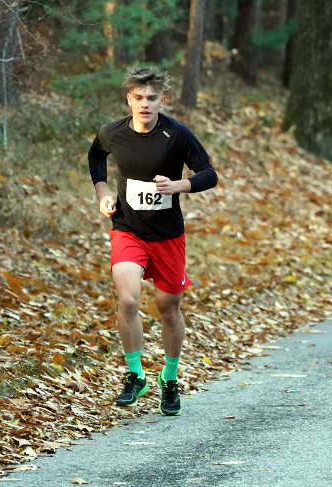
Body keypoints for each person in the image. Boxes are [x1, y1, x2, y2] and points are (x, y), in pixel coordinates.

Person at [87, 67, 218, 416]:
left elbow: (209, 174)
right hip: (127, 228)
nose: (145, 104)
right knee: (128, 300)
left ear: (162, 100)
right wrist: (102, 193)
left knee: (167, 308)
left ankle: (169, 378)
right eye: (138, 98)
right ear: (129, 98)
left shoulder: (176, 134)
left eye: (151, 98)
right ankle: (134, 375)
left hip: (167, 236)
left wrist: (180, 185)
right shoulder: (112, 133)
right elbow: (96, 156)